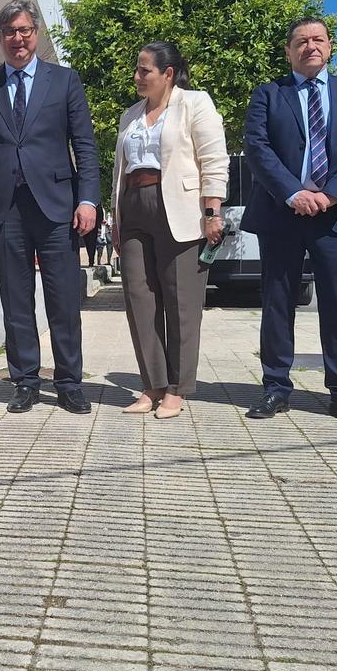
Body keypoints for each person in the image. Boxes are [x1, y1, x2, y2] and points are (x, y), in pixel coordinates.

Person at [0, 0, 101, 414]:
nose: (17, 39)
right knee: (16, 300)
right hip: (5, 210)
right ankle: (25, 381)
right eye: (9, 32)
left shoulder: (64, 81)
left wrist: (88, 199)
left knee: (63, 299)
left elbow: (85, 146)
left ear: (36, 34)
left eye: (24, 31)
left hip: (58, 209)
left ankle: (69, 382)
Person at [242, 18, 337, 426]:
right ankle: (275, 387)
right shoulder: (269, 94)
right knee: (277, 302)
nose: (310, 46)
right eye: (301, 41)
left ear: (330, 47)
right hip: (282, 213)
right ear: (289, 51)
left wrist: (330, 193)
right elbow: (257, 147)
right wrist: (293, 192)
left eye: (318, 39)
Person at [112, 42, 228, 418]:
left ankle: (177, 388)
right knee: (139, 300)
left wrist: (212, 212)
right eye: (137, 69)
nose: (137, 76)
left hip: (179, 208)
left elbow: (213, 160)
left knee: (181, 302)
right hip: (133, 206)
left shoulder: (195, 103)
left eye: (144, 70)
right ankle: (153, 385)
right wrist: (115, 217)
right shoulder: (130, 115)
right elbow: (119, 170)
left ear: (168, 74)